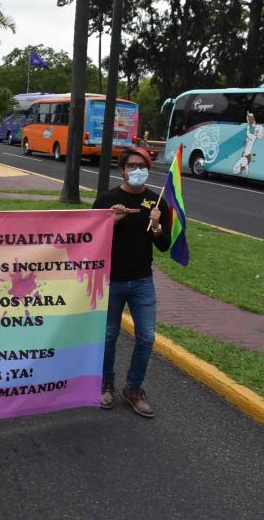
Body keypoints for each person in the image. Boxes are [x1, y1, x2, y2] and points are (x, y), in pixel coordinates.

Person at [92, 148, 171, 418]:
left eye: (143, 166)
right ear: (122, 169)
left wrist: (158, 226)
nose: (138, 170)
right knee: (108, 336)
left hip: (142, 282)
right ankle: (105, 383)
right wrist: (110, 222)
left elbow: (164, 245)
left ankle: (134, 388)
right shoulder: (108, 199)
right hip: (110, 281)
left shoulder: (157, 202)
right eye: (132, 166)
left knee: (147, 338)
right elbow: (90, 241)